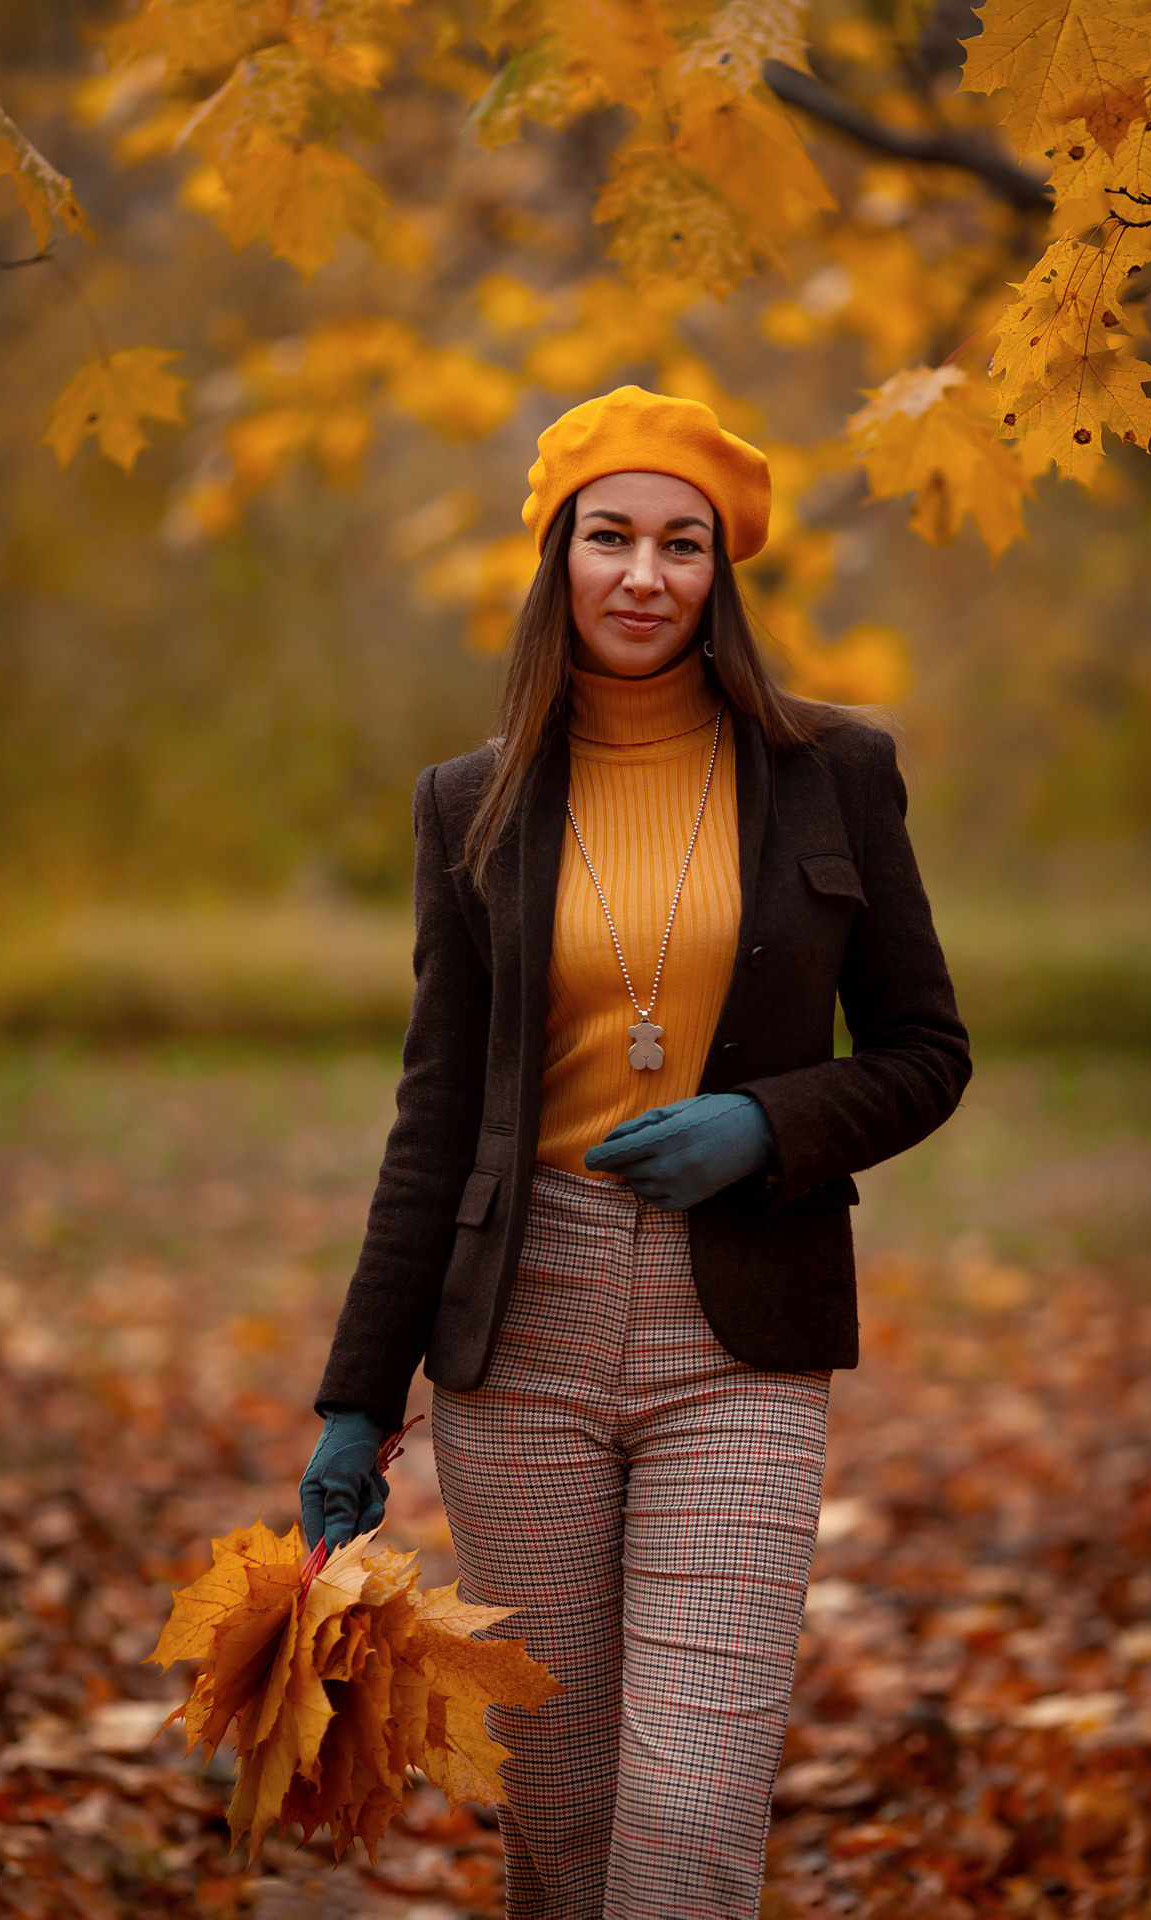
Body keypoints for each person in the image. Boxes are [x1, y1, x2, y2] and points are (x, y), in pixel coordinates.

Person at [301, 386, 971, 1918]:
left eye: (683, 545)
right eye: (611, 537)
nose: (645, 575)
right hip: (516, 1331)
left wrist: (772, 1123)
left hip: (742, 1329)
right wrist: (356, 1399)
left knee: (690, 1815)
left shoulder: (835, 774)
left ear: (722, 577)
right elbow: (435, 1118)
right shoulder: (470, 805)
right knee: (568, 1807)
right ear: (561, 558)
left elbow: (930, 1052)